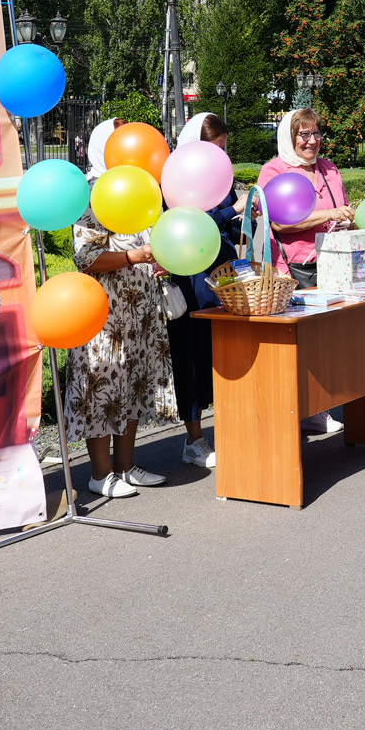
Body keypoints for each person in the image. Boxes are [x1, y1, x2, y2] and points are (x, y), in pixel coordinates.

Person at [63, 119, 181, 496]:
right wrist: (135, 256)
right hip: (105, 314)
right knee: (102, 387)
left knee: (132, 384)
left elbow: (151, 239)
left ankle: (126, 467)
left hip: (139, 311)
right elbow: (86, 258)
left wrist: (160, 258)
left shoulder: (140, 188)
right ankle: (100, 474)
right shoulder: (92, 193)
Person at [255, 107, 349, 435]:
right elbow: (280, 223)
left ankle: (317, 408)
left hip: (331, 266)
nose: (312, 141)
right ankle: (292, 411)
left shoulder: (329, 169)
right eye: (303, 134)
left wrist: (347, 220)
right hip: (291, 270)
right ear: (289, 136)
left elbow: (339, 210)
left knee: (326, 343)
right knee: (297, 345)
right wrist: (330, 215)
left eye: (316, 133)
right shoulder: (273, 171)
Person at [161, 111, 243, 469]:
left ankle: (228, 429)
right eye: (214, 149)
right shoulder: (176, 181)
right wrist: (231, 212)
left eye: (223, 149)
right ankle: (193, 439)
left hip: (224, 275)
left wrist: (244, 217)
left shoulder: (221, 177)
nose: (220, 156)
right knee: (191, 357)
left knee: (225, 354)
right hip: (193, 280)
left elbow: (228, 225)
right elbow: (189, 225)